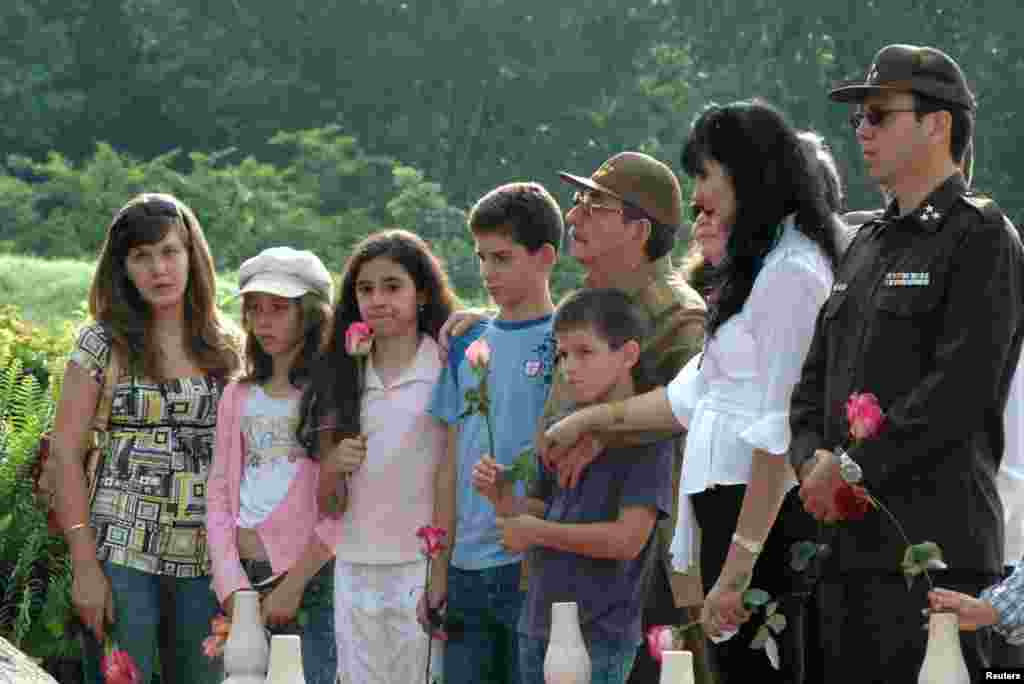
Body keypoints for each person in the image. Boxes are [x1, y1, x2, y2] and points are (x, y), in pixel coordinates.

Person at [544, 100, 841, 683]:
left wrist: (737, 567)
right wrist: (587, 422)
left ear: (749, 173)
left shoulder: (791, 275)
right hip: (726, 517)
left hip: (760, 528)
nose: (699, 195)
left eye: (706, 174)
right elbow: (689, 397)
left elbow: (777, 433)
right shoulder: (758, 270)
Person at [790, 44, 1024, 681]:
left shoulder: (980, 237)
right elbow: (813, 384)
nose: (861, 130)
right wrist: (810, 459)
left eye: (878, 114)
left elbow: (960, 392)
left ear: (937, 123)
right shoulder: (864, 242)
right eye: (857, 118)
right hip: (842, 552)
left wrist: (848, 468)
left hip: (933, 551)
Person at [442, 152, 709, 683]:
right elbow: (553, 430)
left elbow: (689, 415)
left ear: (638, 228)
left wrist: (597, 425)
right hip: (562, 566)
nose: (575, 216)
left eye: (594, 205)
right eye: (578, 201)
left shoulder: (681, 317)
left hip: (643, 572)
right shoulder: (583, 305)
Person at [50, 193, 241, 684]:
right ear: (123, 267)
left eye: (170, 252)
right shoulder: (100, 342)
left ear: (191, 256)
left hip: (205, 561)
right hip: (119, 554)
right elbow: (66, 456)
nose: (159, 268)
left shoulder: (228, 346)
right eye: (142, 256)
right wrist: (84, 567)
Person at [474, 288, 674, 684]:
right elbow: (536, 513)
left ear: (629, 355)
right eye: (563, 355)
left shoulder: (650, 438)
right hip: (537, 623)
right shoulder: (562, 426)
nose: (569, 367)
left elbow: (627, 539)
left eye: (585, 352)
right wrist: (502, 499)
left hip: (599, 631)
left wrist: (538, 532)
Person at [296, 230, 457, 683]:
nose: (377, 299)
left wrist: (439, 572)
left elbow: (451, 476)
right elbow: (327, 502)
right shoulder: (344, 373)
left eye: (392, 286)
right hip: (354, 562)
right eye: (365, 289)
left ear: (421, 292)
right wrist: (333, 465)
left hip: (419, 562)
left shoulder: (446, 365)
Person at [420, 182, 562, 684]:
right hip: (464, 569)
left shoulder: (570, 342)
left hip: (534, 562)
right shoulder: (465, 344)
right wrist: (438, 570)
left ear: (544, 256)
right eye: (481, 257)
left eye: (502, 258)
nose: (487, 272)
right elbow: (449, 467)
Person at [206, 247, 340, 684]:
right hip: (245, 577)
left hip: (310, 578)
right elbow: (221, 490)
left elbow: (338, 508)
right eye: (254, 309)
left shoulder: (331, 395)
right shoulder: (238, 395)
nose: (263, 321)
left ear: (311, 314)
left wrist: (295, 583)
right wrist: (231, 584)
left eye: (279, 309)